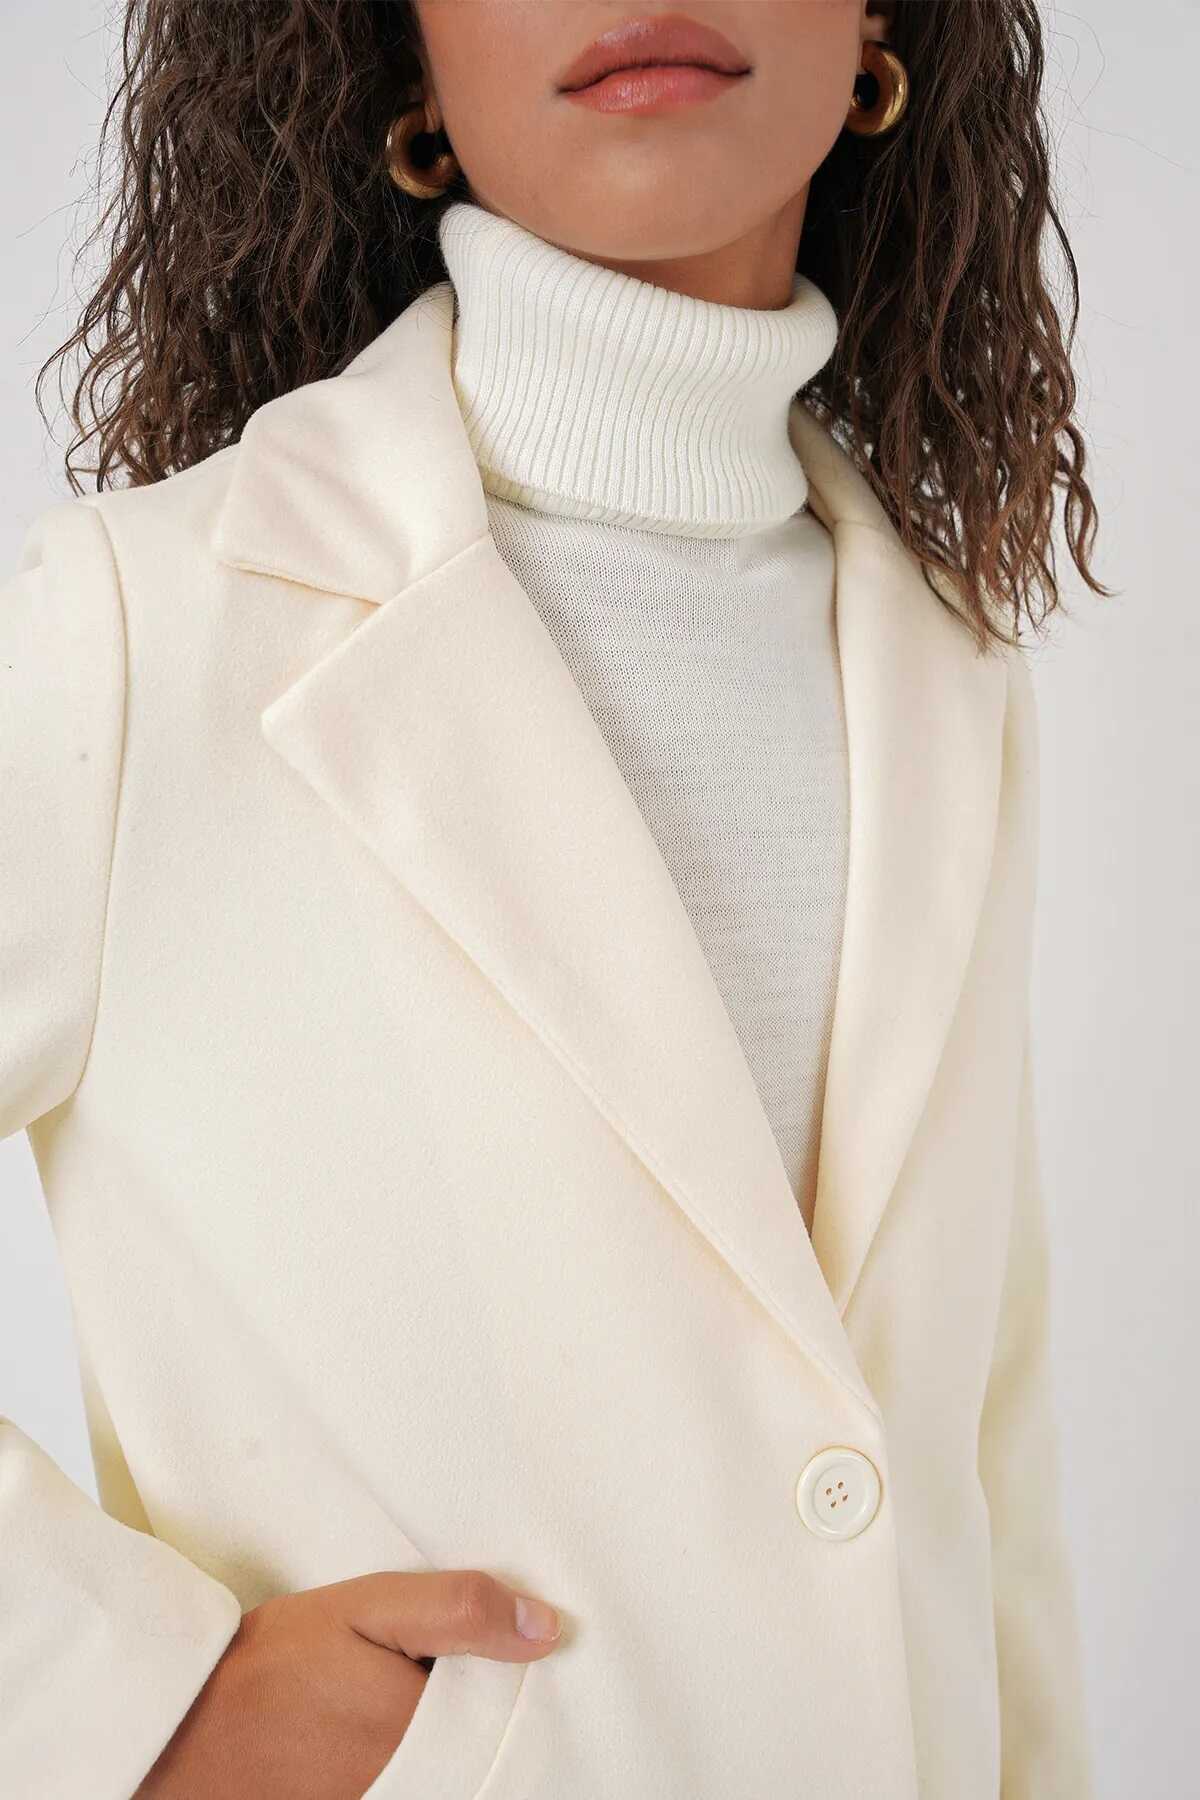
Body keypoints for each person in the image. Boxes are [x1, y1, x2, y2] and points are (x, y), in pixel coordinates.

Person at [2, 3, 1111, 1796]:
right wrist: (128, 1698)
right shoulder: (136, 630)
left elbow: (985, 1449)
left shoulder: (947, 664)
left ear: (876, 25)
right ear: (405, 56)